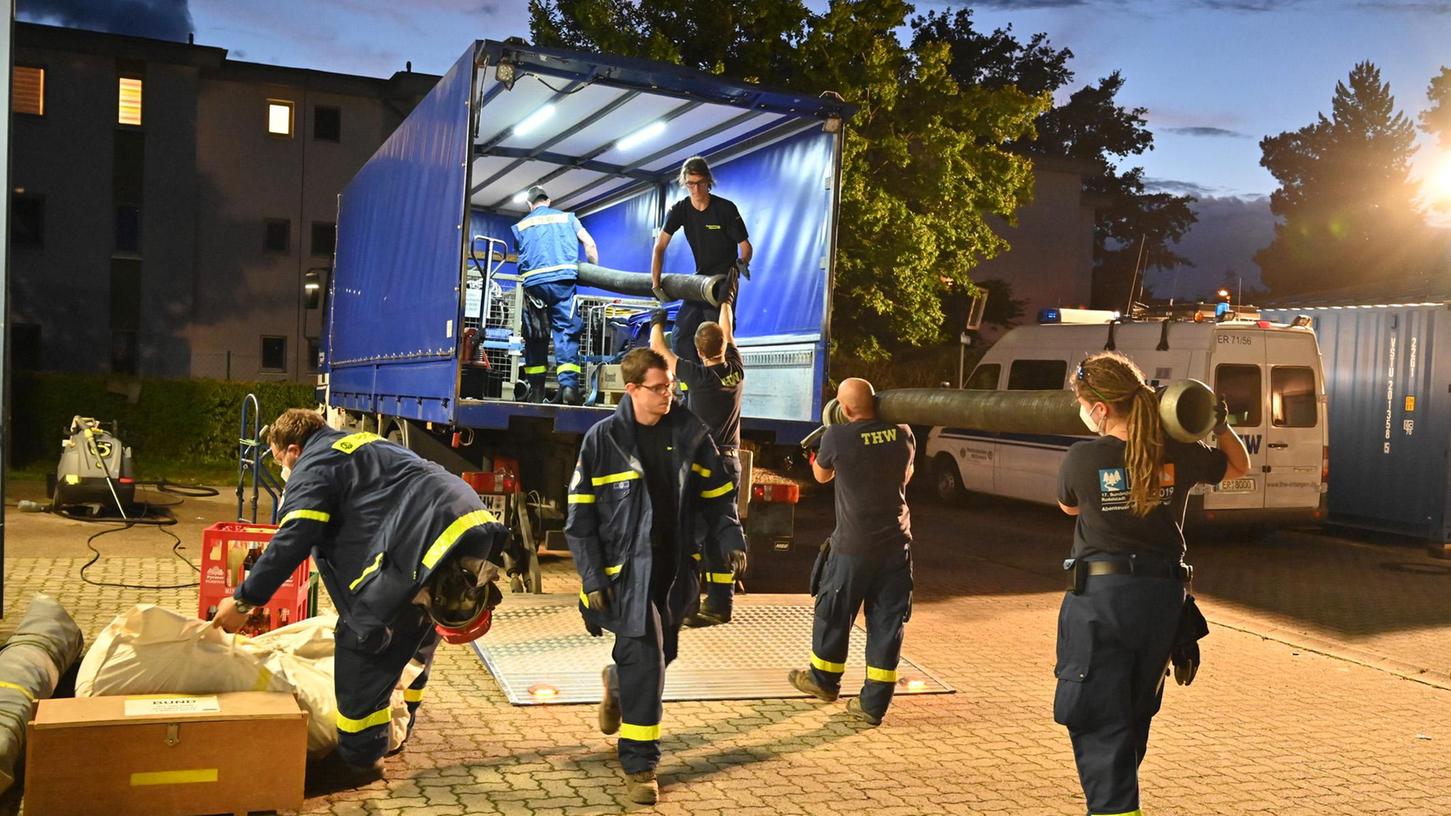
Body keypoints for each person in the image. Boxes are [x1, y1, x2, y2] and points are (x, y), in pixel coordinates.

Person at [212, 408, 512, 778]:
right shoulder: (359, 444)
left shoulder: (314, 463)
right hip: (468, 524)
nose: (283, 471)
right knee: (416, 633)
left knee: (361, 640)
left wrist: (245, 599)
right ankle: (401, 727)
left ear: (292, 449)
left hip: (424, 537)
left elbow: (295, 535)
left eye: (279, 462)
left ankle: (360, 759)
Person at [1053, 352, 1250, 816]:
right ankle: (1118, 802)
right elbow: (1237, 465)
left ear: (1100, 409)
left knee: (1097, 714)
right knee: (1133, 710)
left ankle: (1117, 809)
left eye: (1083, 402)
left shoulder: (1084, 457)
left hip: (1104, 602)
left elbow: (1070, 508)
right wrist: (1217, 421)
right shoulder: (1176, 451)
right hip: (1162, 603)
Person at [565, 348, 746, 805]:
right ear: (632, 390)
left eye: (671, 386)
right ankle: (640, 763)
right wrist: (590, 578)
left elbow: (718, 496)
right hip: (626, 575)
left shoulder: (690, 433)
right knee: (647, 657)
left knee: (662, 655)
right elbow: (580, 520)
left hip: (675, 572)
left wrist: (730, 539)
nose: (669, 394)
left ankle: (617, 682)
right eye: (659, 388)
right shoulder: (602, 441)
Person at [788, 377, 915, 727]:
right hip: (896, 546)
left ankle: (823, 681)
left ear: (844, 409)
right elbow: (907, 473)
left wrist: (824, 444)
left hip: (853, 546)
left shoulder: (838, 436)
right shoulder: (904, 433)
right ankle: (873, 705)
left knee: (834, 612)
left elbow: (821, 476)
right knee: (887, 624)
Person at [646, 300, 746, 626]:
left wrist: (658, 320)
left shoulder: (697, 376)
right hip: (731, 463)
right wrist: (726, 302)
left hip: (704, 467)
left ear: (699, 352)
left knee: (690, 535)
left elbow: (659, 352)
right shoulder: (735, 370)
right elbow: (727, 331)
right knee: (720, 535)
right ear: (722, 348)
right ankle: (720, 606)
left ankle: (686, 606)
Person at [649, 156, 751, 370]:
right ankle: (691, 386)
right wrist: (655, 283)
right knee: (680, 337)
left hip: (723, 282)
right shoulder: (680, 210)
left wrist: (742, 263)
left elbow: (745, 246)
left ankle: (717, 379)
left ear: (708, 181)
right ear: (685, 183)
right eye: (690, 184)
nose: (695, 189)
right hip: (699, 281)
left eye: (699, 183)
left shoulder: (725, 209)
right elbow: (659, 247)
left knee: (718, 338)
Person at [512, 185, 598, 405]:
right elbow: (589, 244)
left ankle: (537, 391)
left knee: (535, 335)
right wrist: (593, 271)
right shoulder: (568, 218)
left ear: (529, 205)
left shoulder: (521, 226)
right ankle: (569, 388)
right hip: (563, 283)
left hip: (534, 288)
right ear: (548, 201)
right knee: (567, 333)